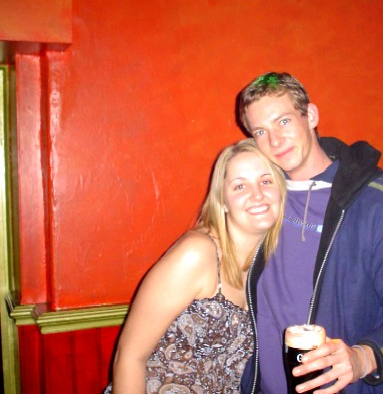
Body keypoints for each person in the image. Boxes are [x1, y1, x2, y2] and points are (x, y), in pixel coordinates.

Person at [236, 72, 383, 393]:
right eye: (261, 131)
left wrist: (362, 358)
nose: (274, 141)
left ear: (311, 116)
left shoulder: (376, 205)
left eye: (284, 121)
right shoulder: (261, 204)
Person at [104, 138, 286, 394]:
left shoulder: (274, 265)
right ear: (222, 201)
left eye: (266, 181)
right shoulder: (197, 253)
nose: (257, 195)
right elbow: (129, 357)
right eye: (240, 186)